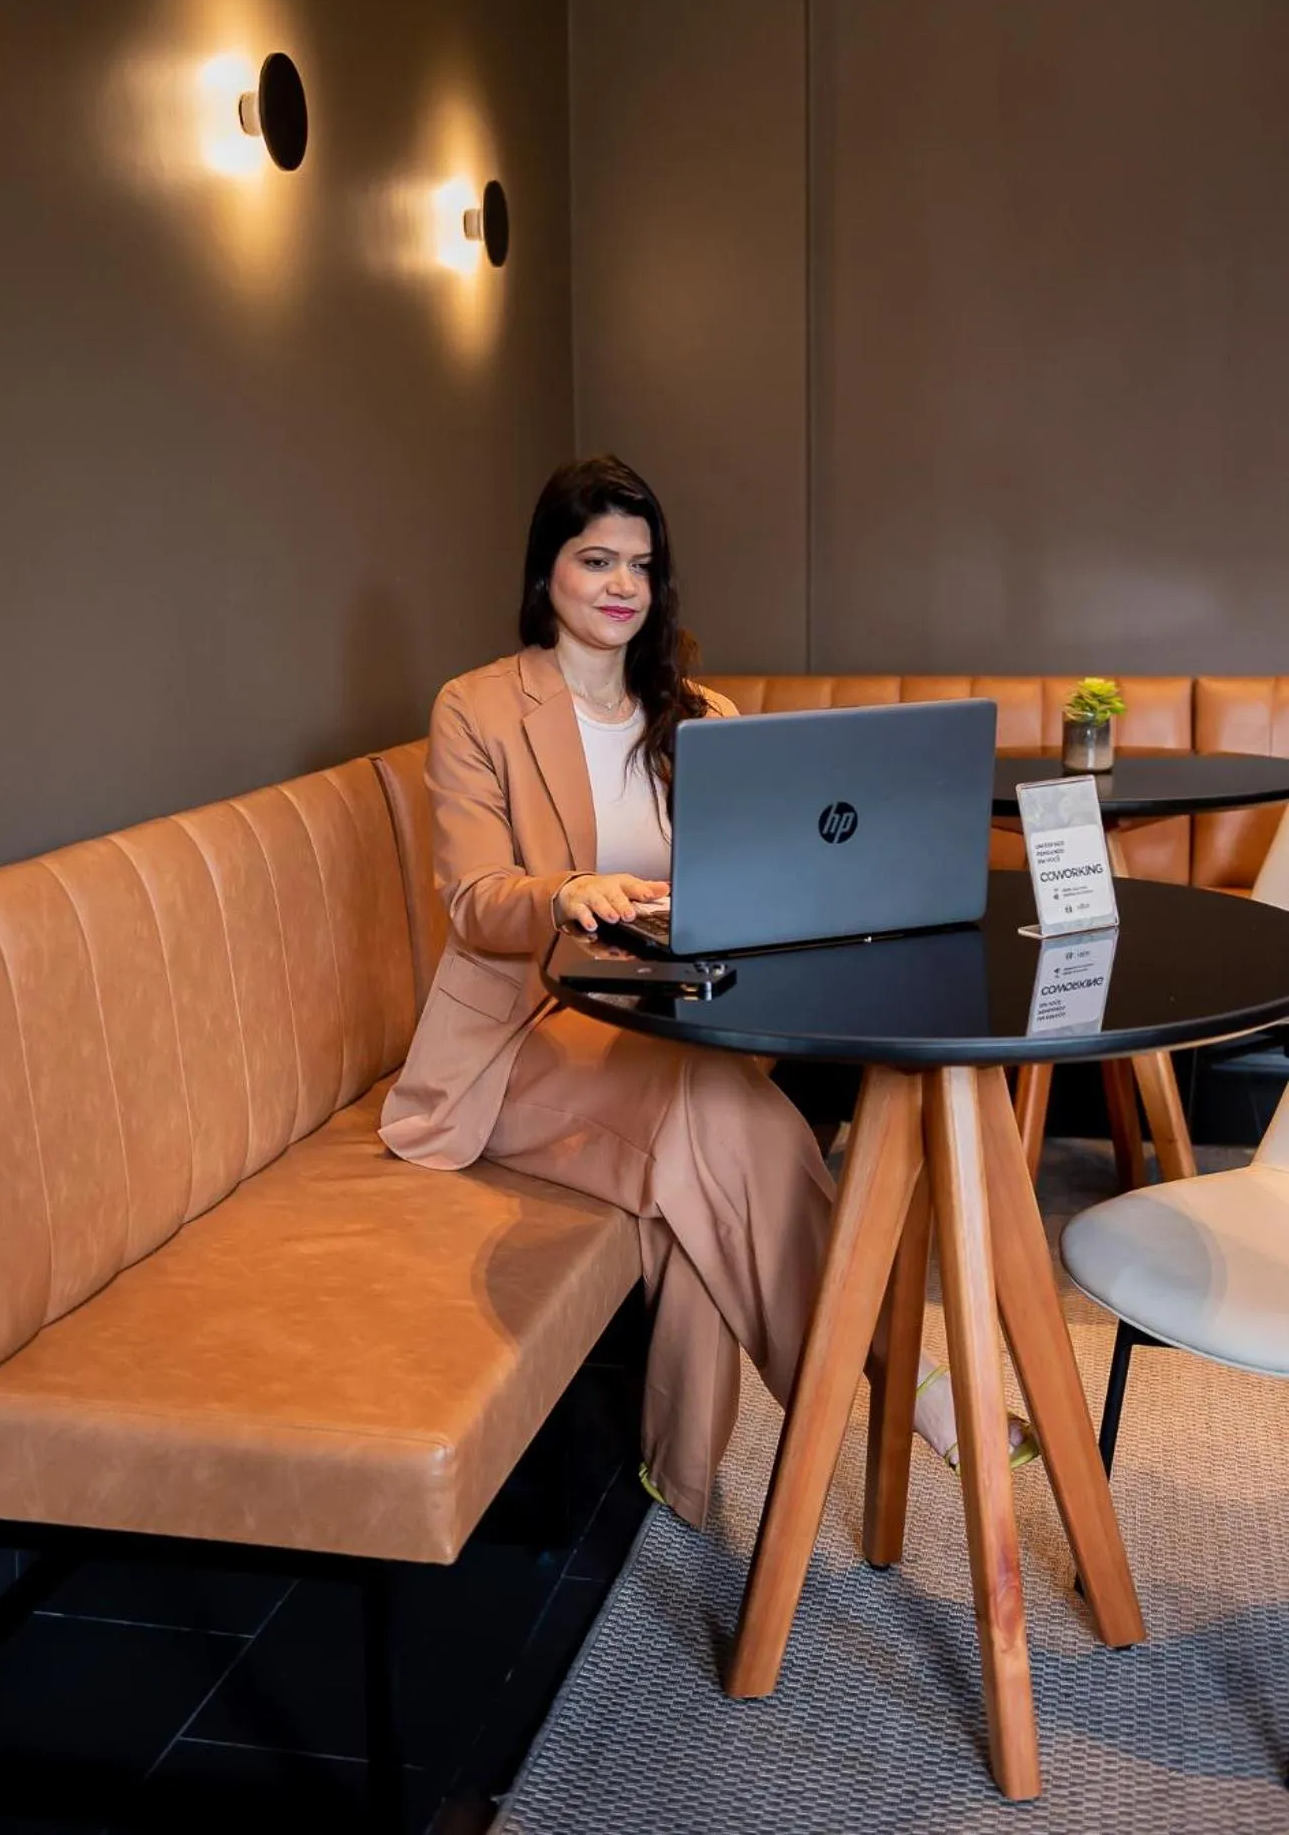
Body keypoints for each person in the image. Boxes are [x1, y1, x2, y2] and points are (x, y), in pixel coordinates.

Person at [380, 456, 1032, 1528]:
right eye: (595, 559)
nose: (619, 584)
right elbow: (472, 900)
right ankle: (903, 1378)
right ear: (545, 568)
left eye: (639, 563)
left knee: (699, 1156)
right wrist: (566, 891)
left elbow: (755, 881)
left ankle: (681, 1471)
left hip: (669, 1027)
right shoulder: (478, 707)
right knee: (722, 1116)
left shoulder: (699, 710)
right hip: (524, 1039)